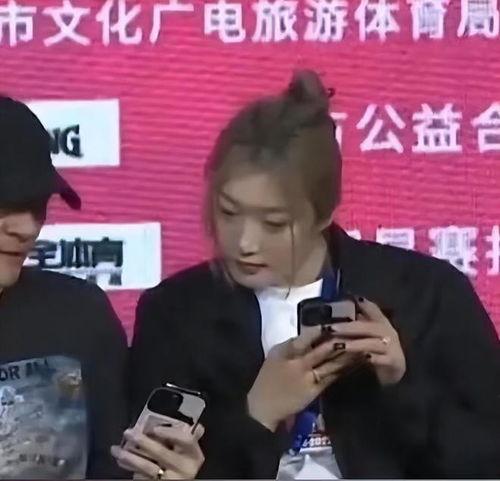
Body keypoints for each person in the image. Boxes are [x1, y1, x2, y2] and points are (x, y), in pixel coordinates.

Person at [127, 71, 500, 479]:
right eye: (228, 212)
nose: (244, 242)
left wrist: (401, 385)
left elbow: (484, 456)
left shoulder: (425, 293)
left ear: (323, 215)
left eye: (274, 224)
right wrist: (258, 414)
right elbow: (148, 467)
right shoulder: (175, 313)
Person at [0, 96, 128, 479]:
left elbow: (116, 467)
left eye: (37, 205)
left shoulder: (81, 316)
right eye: (5, 203)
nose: (27, 228)